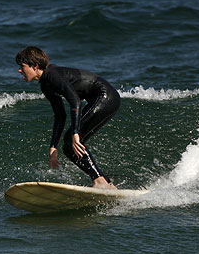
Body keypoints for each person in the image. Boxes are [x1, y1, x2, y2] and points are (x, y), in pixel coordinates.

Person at [15, 46, 120, 190]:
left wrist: (75, 133)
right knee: (67, 147)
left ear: (35, 66)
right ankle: (106, 182)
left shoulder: (53, 75)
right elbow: (60, 115)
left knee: (71, 140)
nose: (20, 70)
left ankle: (99, 181)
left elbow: (75, 101)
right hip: (101, 99)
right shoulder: (45, 84)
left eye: (22, 66)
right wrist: (53, 146)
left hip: (106, 96)